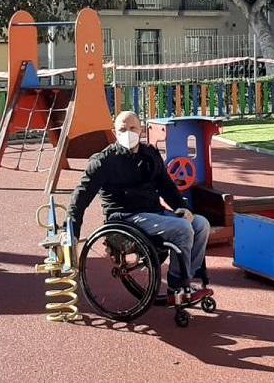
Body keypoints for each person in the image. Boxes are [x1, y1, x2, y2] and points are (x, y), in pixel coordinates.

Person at [68, 110, 211, 305]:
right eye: (122, 129)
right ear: (115, 132)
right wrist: (72, 231)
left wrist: (183, 208)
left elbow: (166, 186)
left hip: (153, 213)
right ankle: (177, 286)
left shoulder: (150, 154)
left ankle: (189, 277)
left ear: (141, 129)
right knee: (182, 229)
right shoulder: (103, 161)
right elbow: (81, 196)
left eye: (133, 128)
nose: (128, 132)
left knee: (200, 223)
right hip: (125, 217)